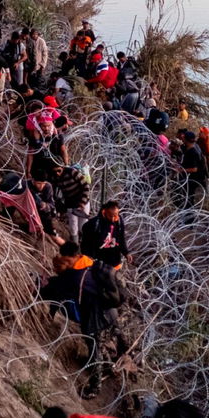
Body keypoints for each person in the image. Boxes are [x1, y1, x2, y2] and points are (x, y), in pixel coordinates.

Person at [40, 243, 128, 398]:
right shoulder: (89, 262)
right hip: (110, 311)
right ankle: (111, 362)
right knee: (102, 342)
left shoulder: (75, 277)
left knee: (95, 349)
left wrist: (43, 287)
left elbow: (59, 289)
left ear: (70, 257)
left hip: (96, 318)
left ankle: (95, 388)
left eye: (64, 257)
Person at [80, 201, 130, 269]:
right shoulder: (94, 224)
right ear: (105, 211)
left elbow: (121, 238)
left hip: (114, 262)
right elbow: (85, 243)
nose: (113, 219)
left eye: (115, 215)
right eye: (110, 216)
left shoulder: (119, 221)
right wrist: (88, 257)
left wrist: (126, 253)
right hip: (97, 262)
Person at [51, 163, 90, 243]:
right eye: (55, 172)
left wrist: (82, 202)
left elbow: (86, 186)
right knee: (73, 227)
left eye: (59, 170)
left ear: (62, 167)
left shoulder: (72, 172)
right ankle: (75, 247)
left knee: (83, 226)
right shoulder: (55, 177)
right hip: (70, 203)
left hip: (82, 201)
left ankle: (84, 245)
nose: (57, 173)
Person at [179, 131, 209, 205]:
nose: (182, 139)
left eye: (184, 138)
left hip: (192, 180)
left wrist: (180, 170)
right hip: (190, 179)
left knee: (189, 200)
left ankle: (189, 214)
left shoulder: (193, 152)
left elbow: (194, 169)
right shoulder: (193, 147)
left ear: (187, 139)